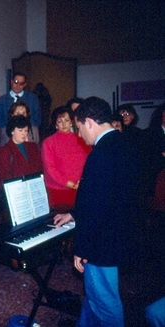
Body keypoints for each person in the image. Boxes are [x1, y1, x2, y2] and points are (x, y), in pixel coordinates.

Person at [54, 97, 139, 327]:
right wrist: (74, 213)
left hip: (102, 243)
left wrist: (82, 249)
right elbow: (105, 195)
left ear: (89, 122)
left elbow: (97, 208)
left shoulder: (100, 154)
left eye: (79, 128)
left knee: (105, 303)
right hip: (120, 232)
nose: (79, 135)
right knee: (94, 297)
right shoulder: (124, 143)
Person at [41, 106, 91, 209]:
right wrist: (68, 184)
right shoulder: (48, 143)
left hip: (80, 188)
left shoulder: (81, 139)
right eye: (60, 121)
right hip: (57, 191)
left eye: (67, 120)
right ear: (55, 124)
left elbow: (90, 162)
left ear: (71, 122)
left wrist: (82, 181)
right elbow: (50, 169)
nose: (64, 124)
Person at [0, 115, 43, 189]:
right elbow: (2, 178)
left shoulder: (33, 147)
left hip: (35, 188)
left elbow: (40, 169)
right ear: (12, 131)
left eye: (26, 130)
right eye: (20, 130)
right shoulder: (3, 151)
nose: (24, 134)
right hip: (16, 191)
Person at [0, 72, 41, 144]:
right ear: (11, 81)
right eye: (16, 82)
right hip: (8, 136)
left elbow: (37, 119)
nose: (18, 85)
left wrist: (24, 127)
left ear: (25, 84)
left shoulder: (32, 98)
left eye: (21, 83)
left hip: (28, 135)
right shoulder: (2, 100)